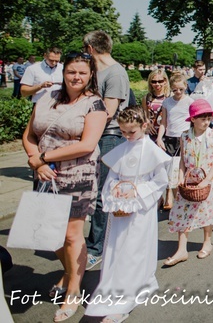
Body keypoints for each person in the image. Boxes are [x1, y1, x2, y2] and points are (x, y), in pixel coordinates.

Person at [22, 51, 108, 322]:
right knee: (49, 235)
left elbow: (86, 145)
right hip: (45, 175)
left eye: (82, 72)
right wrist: (37, 163)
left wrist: (42, 158)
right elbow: (30, 135)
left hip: (77, 176)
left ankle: (73, 291)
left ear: (91, 74)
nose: (76, 77)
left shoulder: (95, 104)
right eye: (72, 71)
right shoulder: (47, 98)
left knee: (71, 236)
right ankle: (72, 271)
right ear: (63, 72)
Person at [83, 107, 171, 323]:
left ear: (143, 126)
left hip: (141, 208)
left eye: (131, 132)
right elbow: (112, 177)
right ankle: (114, 286)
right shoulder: (122, 149)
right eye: (123, 132)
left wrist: (137, 191)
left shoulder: (152, 151)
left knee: (134, 250)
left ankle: (125, 300)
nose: (127, 136)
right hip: (120, 207)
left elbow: (160, 181)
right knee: (116, 249)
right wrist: (114, 191)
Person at [83, 30, 130, 271]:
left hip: (108, 137)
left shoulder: (115, 73)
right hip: (92, 135)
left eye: (85, 50)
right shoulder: (95, 72)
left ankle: (95, 248)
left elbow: (108, 112)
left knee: (103, 193)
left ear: (90, 48)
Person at [165, 99, 213, 266]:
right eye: (202, 119)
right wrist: (180, 176)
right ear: (193, 119)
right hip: (190, 180)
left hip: (208, 180)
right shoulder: (185, 136)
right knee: (182, 212)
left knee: (207, 211)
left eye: (208, 119)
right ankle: (181, 249)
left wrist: (207, 180)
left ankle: (207, 241)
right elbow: (182, 161)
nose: (206, 122)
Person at [156, 74, 194, 210]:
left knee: (181, 170)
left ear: (185, 87)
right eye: (175, 90)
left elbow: (192, 122)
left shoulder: (190, 101)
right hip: (170, 138)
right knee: (170, 170)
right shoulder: (167, 102)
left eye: (181, 89)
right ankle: (175, 200)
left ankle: (183, 199)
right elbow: (164, 122)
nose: (178, 92)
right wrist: (160, 138)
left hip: (183, 137)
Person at [142, 69, 170, 141]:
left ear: (165, 81)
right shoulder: (147, 97)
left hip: (167, 133)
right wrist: (148, 123)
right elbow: (145, 115)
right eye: (154, 82)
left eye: (160, 81)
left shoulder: (170, 97)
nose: (157, 84)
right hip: (151, 132)